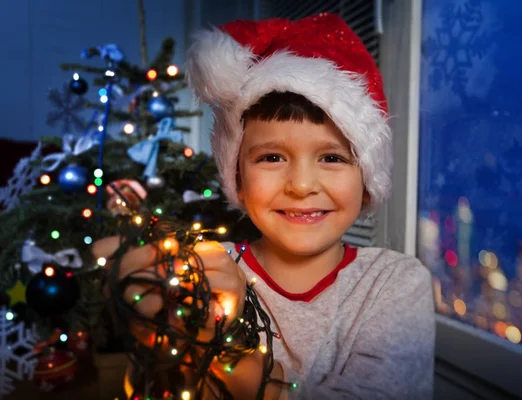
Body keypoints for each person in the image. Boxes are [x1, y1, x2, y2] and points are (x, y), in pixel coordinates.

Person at [93, 13, 435, 399]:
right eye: (272, 157)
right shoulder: (203, 272)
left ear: (367, 177)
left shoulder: (393, 283)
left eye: (333, 158)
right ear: (237, 175)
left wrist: (233, 365)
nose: (302, 185)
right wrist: (151, 318)